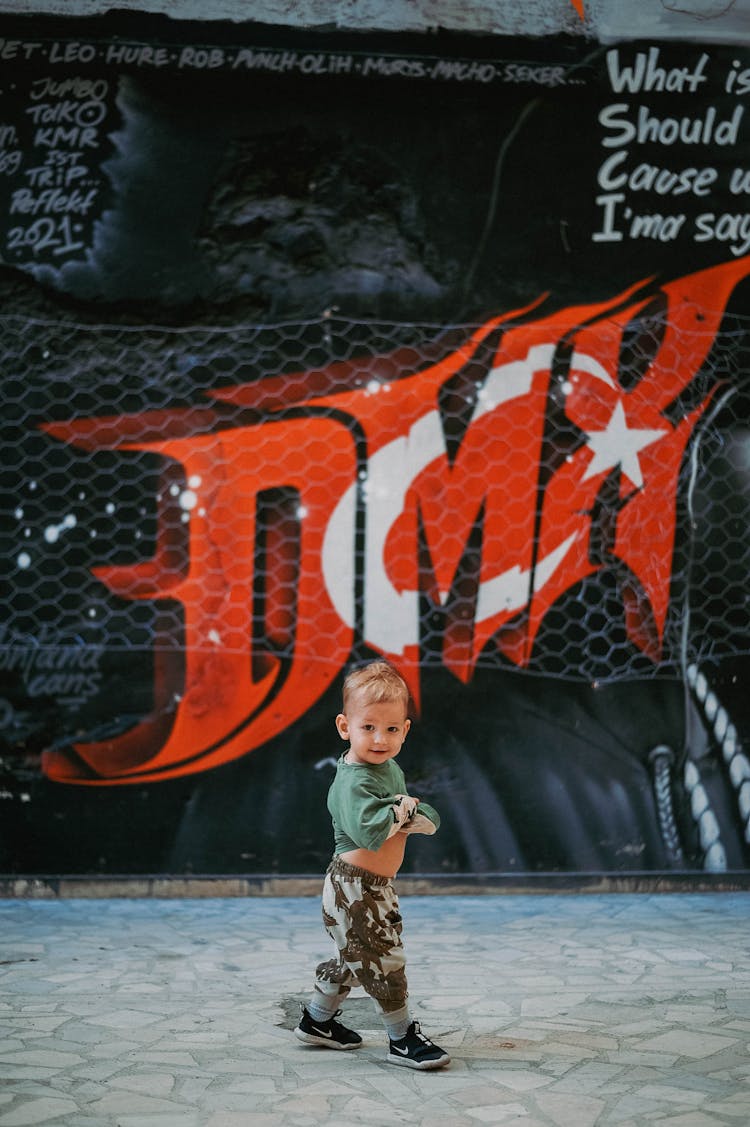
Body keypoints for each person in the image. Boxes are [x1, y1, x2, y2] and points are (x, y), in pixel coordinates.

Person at [295, 660, 450, 1070]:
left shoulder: (388, 768)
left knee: (355, 957)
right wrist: (402, 811)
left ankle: (317, 1021)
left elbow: (407, 811)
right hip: (353, 887)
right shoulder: (354, 779)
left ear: (405, 729)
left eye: (392, 729)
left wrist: (418, 814)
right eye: (368, 728)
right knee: (383, 959)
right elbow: (369, 832)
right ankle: (401, 1038)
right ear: (345, 727)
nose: (380, 739)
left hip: (375, 886)